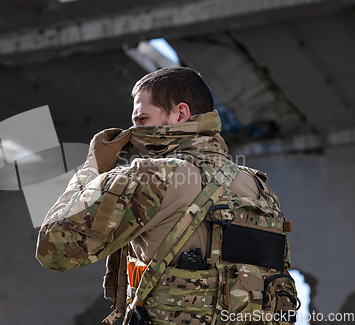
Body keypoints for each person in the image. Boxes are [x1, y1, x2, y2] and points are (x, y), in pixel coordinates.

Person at [36, 67, 297, 325]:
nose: (133, 130)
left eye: (142, 119)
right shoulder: (259, 187)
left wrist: (92, 168)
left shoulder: (151, 176)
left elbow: (54, 248)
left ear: (181, 114)